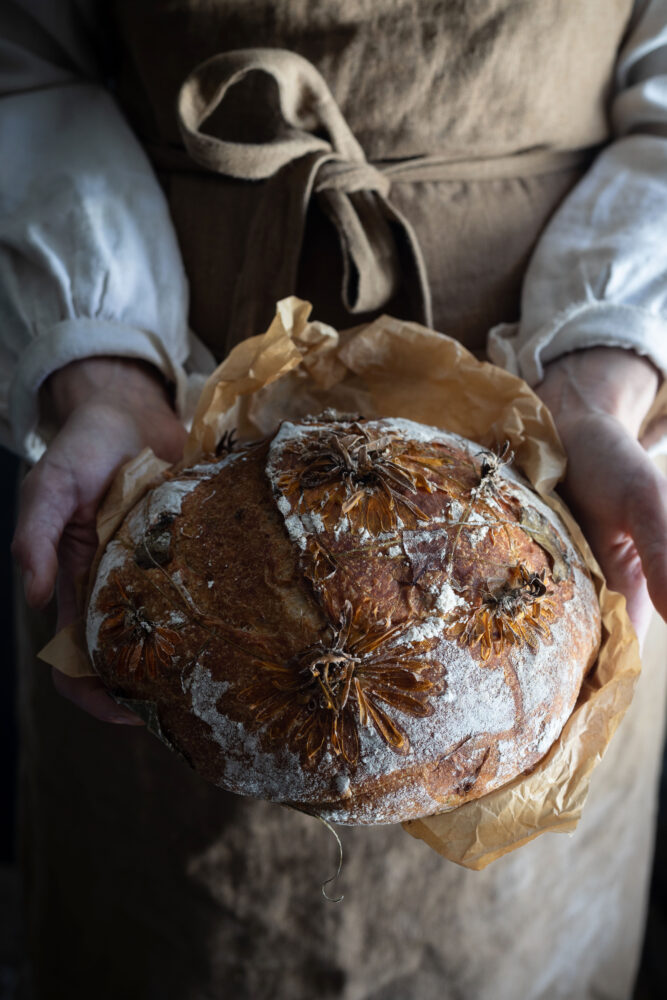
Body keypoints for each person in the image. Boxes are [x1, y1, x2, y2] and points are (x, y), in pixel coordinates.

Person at [2, 1, 667, 997]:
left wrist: (602, 374)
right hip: (173, 396)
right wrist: (100, 370)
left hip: (554, 445)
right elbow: (27, 60)